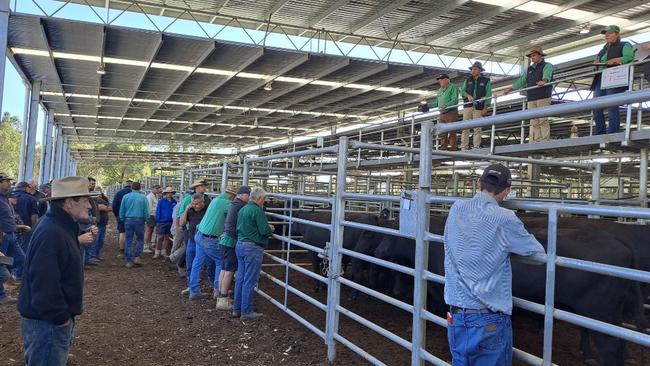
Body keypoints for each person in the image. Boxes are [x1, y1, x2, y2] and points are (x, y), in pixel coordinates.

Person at [443, 164, 545, 365]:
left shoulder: (456, 208)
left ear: (478, 183)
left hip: (456, 315)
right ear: (507, 191)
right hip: (487, 319)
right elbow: (536, 252)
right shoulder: (505, 218)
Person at [18, 176, 98, 365]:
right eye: (85, 200)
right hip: (47, 322)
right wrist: (60, 318)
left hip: (47, 320)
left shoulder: (59, 226)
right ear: (69, 203)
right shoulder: (53, 231)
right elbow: (44, 283)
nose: (89, 205)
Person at [233, 187, 274, 319]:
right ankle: (246, 311)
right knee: (249, 280)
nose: (264, 201)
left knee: (241, 278)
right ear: (260, 198)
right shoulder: (257, 210)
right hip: (252, 247)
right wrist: (270, 228)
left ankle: (237, 308)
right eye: (264, 199)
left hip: (240, 245)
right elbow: (264, 230)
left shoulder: (243, 209)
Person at [591, 25, 635, 135]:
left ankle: (613, 132)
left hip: (614, 77)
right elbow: (596, 65)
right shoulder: (603, 49)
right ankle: (600, 132)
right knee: (595, 106)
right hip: (601, 77)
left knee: (611, 105)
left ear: (617, 34)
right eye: (605, 34)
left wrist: (617, 59)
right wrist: (595, 64)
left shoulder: (624, 45)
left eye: (609, 33)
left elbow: (630, 57)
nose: (606, 35)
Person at [506, 45, 554, 142]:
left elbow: (547, 75)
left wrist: (544, 81)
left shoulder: (547, 65)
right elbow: (522, 81)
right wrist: (511, 88)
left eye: (534, 55)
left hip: (543, 96)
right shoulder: (529, 69)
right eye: (531, 56)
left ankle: (544, 139)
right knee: (534, 120)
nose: (532, 57)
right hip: (532, 97)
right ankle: (537, 139)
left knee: (542, 119)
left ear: (540, 56)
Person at [217, 186, 251, 310]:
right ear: (242, 195)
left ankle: (220, 295)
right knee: (229, 270)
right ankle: (223, 299)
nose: (249, 197)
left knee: (224, 268)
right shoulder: (240, 206)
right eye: (248, 195)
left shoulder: (234, 204)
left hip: (225, 239)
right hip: (231, 240)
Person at [183, 192, 214, 299]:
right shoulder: (190, 210)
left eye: (197, 203)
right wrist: (186, 209)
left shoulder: (208, 210)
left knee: (208, 264)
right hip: (192, 239)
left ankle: (213, 286)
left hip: (203, 241)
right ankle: (191, 287)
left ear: (203, 202)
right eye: (193, 203)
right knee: (191, 263)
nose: (195, 206)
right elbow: (182, 222)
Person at [460, 61, 492, 150]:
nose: (473, 71)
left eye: (475, 69)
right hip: (467, 106)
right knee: (465, 127)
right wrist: (468, 95)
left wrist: (486, 107)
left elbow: (488, 95)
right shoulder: (468, 80)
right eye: (472, 69)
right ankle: (464, 146)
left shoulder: (486, 81)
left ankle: (476, 146)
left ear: (480, 70)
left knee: (477, 128)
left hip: (479, 107)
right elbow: (462, 91)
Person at [423, 74, 460, 150]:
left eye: (442, 79)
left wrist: (447, 105)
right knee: (442, 131)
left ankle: (453, 146)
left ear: (447, 80)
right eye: (439, 80)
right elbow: (437, 103)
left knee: (452, 130)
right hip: (442, 113)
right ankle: (443, 147)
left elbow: (455, 100)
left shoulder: (453, 87)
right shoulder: (439, 91)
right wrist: (427, 105)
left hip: (451, 112)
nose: (440, 81)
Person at [11, 182, 39, 279]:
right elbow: (34, 216)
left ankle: (11, 274)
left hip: (9, 230)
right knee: (23, 252)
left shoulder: (9, 196)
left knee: (11, 252)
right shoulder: (31, 199)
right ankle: (19, 274)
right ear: (26, 188)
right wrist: (34, 229)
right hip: (26, 229)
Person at [119, 182, 148, 268]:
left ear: (131, 188)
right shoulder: (143, 198)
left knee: (128, 239)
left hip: (128, 219)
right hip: (139, 219)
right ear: (140, 188)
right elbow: (146, 211)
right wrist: (146, 219)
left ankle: (128, 261)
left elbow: (122, 210)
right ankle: (137, 256)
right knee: (140, 238)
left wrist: (123, 218)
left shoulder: (126, 197)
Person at [111, 180, 132, 258]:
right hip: (132, 216)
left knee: (122, 232)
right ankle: (129, 251)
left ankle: (121, 251)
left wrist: (117, 214)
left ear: (125, 185)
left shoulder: (119, 193)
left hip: (121, 215)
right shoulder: (135, 193)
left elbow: (114, 205)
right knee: (130, 232)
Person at [88, 186, 111, 260]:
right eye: (97, 194)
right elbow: (104, 207)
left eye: (100, 194)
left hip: (103, 222)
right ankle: (92, 256)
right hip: (97, 222)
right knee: (95, 240)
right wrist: (102, 207)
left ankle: (96, 254)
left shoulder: (104, 199)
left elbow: (110, 207)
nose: (99, 196)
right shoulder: (91, 201)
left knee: (100, 240)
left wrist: (104, 207)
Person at [154, 186, 177, 259]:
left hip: (170, 222)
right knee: (160, 237)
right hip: (162, 222)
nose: (170, 194)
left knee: (167, 237)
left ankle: (163, 251)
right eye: (168, 193)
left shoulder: (174, 202)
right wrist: (158, 220)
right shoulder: (161, 201)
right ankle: (157, 252)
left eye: (171, 193)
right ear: (166, 193)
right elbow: (158, 211)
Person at [145, 185, 161, 253]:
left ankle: (148, 245)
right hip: (151, 215)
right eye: (157, 189)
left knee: (151, 231)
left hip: (154, 215)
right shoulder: (149, 197)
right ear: (153, 189)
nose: (158, 191)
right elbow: (149, 208)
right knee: (148, 231)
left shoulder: (156, 196)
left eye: (158, 189)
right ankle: (145, 246)